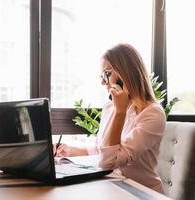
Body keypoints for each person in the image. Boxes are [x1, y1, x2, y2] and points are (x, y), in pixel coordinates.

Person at [54, 43, 166, 193]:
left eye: (107, 73)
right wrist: (70, 150)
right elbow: (99, 150)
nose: (102, 81)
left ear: (125, 74)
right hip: (114, 188)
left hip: (140, 192)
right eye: (102, 75)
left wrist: (120, 113)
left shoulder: (152, 114)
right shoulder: (110, 107)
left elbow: (108, 162)